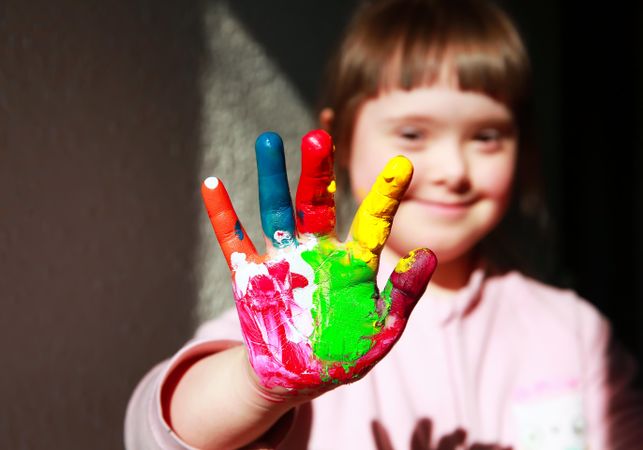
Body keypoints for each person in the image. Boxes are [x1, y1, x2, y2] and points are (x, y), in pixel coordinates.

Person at [125, 0, 643, 448]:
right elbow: (156, 435)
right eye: (413, 134)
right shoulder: (299, 310)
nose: (453, 172)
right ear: (343, 141)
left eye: (486, 136)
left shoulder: (575, 332)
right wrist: (262, 385)